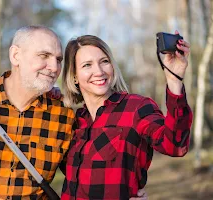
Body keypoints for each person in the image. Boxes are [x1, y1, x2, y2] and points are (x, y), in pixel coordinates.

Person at [0, 25, 147, 200]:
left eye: (58, 60)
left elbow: (82, 174)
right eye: (44, 56)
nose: (54, 67)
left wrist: (125, 193)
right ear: (16, 55)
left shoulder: (64, 115)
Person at [60, 33, 192, 200]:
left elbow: (174, 145)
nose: (99, 71)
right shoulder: (73, 121)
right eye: (87, 65)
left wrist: (174, 80)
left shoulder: (136, 108)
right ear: (74, 76)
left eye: (104, 62)